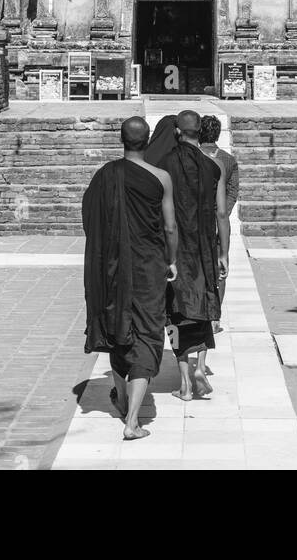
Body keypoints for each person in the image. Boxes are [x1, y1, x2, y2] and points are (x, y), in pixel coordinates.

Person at [82, 116, 178, 441]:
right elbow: (169, 227)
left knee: (118, 326)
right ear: (147, 140)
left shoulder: (104, 176)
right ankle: (133, 421)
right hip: (150, 267)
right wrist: (172, 260)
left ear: (121, 140)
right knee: (149, 334)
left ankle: (120, 397)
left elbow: (89, 217)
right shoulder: (161, 177)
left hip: (113, 267)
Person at [149, 109, 230, 402]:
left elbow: (158, 213)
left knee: (176, 310)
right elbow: (221, 213)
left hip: (175, 250)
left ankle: (184, 383)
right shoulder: (214, 166)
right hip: (205, 247)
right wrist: (223, 253)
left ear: (177, 132)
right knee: (205, 303)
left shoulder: (162, 165)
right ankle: (200, 367)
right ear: (201, 132)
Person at [198, 114, 240, 333]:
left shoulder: (191, 157)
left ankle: (196, 313)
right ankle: (215, 318)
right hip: (218, 222)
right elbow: (233, 191)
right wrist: (221, 211)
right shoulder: (227, 159)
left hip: (194, 222)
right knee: (219, 270)